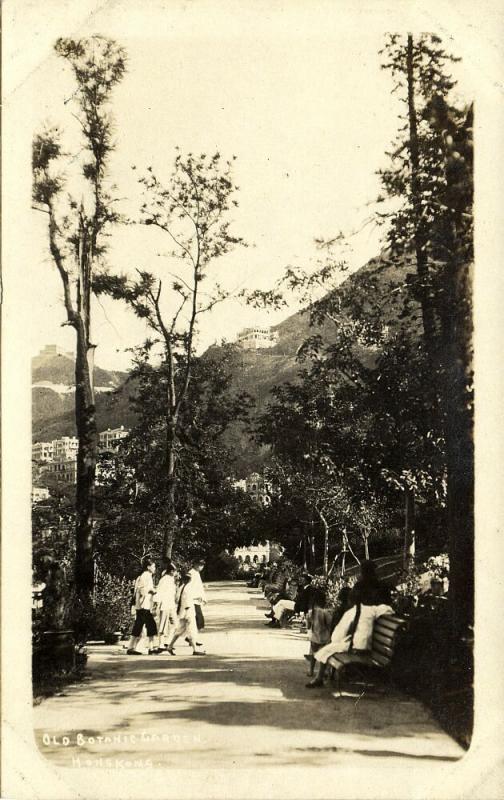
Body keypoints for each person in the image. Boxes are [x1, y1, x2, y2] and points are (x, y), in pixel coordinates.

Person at [306, 562, 393, 688]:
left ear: (363, 572)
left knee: (330, 647)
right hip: (372, 637)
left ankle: (319, 678)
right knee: (330, 647)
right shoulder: (382, 587)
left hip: (362, 642)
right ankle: (319, 678)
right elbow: (387, 604)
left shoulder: (360, 588)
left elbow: (351, 605)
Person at [127, 557, 160, 655]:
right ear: (148, 567)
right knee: (150, 625)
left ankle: (132, 648)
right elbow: (141, 590)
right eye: (153, 566)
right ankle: (150, 648)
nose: (155, 568)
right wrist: (152, 591)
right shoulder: (145, 576)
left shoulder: (146, 575)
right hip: (143, 606)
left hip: (143, 606)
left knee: (140, 626)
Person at [166, 573, 205, 655]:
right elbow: (187, 600)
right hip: (188, 611)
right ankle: (195, 649)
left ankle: (170, 646)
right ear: (190, 580)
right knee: (192, 630)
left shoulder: (182, 587)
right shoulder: (188, 588)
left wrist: (196, 598)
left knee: (180, 630)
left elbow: (179, 599)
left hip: (182, 612)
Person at [304, 588, 334, 677]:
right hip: (325, 638)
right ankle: (325, 671)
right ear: (324, 601)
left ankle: (311, 670)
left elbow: (308, 626)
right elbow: (330, 624)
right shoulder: (326, 613)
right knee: (324, 656)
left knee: (313, 655)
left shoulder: (311, 612)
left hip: (314, 637)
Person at [155, 561, 178, 650]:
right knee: (162, 625)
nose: (175, 573)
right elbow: (159, 592)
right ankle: (161, 644)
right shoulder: (164, 580)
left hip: (171, 605)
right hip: (164, 605)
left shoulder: (171, 579)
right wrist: (157, 603)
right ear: (171, 571)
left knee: (175, 624)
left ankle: (167, 642)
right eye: (175, 571)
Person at [188, 559, 206, 646]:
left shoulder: (197, 573)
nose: (201, 567)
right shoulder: (191, 573)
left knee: (198, 621)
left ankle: (191, 638)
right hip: (192, 601)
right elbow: (188, 588)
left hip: (197, 600)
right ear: (195, 564)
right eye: (200, 565)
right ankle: (192, 638)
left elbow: (199, 588)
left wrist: (203, 598)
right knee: (197, 620)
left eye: (202, 565)